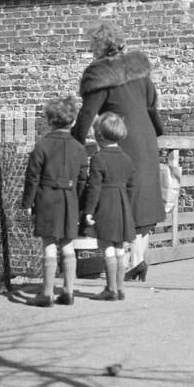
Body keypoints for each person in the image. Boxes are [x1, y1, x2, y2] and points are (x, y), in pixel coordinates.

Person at [72, 20, 164, 281]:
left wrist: (74, 140)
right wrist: (156, 132)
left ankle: (129, 263)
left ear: (98, 47)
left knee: (119, 199)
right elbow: (151, 106)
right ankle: (138, 261)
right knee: (143, 201)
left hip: (122, 139)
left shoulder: (100, 74)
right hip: (146, 138)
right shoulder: (138, 69)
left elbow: (87, 114)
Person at [21, 94, 87, 306]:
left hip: (46, 198)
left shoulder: (41, 146)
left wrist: (28, 203)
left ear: (49, 121)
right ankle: (68, 292)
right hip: (69, 198)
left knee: (49, 243)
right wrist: (77, 200)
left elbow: (32, 177)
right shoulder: (79, 148)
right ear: (74, 121)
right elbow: (83, 178)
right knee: (68, 244)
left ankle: (47, 293)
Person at [81, 113, 136, 301]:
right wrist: (127, 207)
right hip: (123, 208)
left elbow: (94, 188)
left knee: (107, 248)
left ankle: (110, 289)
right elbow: (131, 187)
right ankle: (120, 289)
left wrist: (89, 211)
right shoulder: (128, 159)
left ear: (100, 136)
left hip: (105, 206)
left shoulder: (98, 158)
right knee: (120, 249)